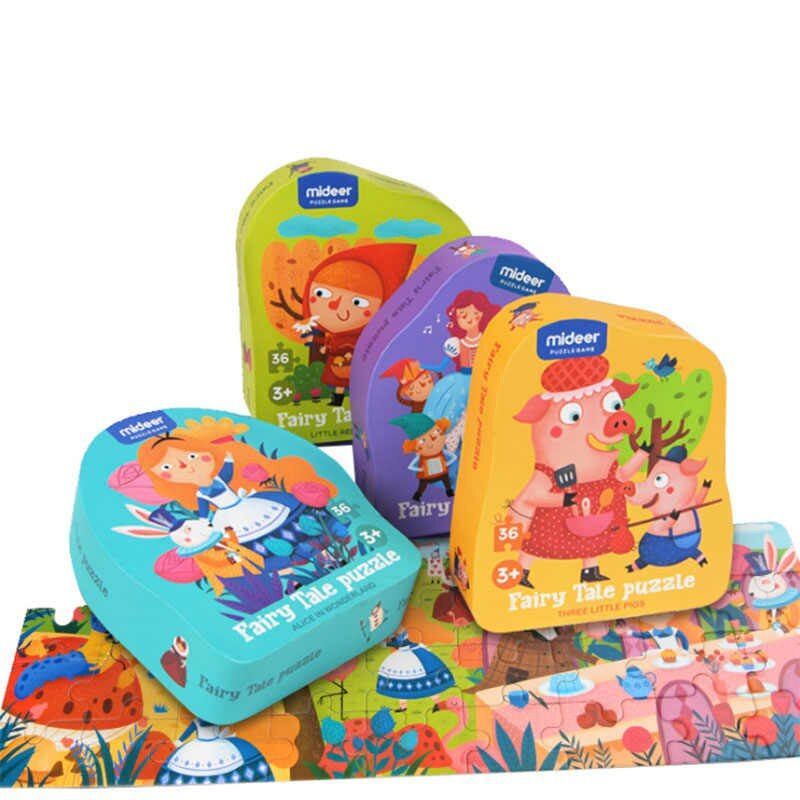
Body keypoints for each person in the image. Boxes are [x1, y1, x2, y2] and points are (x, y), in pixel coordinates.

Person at [296, 244, 416, 406]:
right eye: (321, 293)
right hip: (337, 363)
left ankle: (353, 401)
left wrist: (338, 352)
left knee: (350, 382)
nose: (334, 305)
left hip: (349, 364)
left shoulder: (363, 337)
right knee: (338, 382)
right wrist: (319, 343)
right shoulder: (331, 334)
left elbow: (348, 348)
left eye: (358, 302)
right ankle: (338, 400)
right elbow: (327, 343)